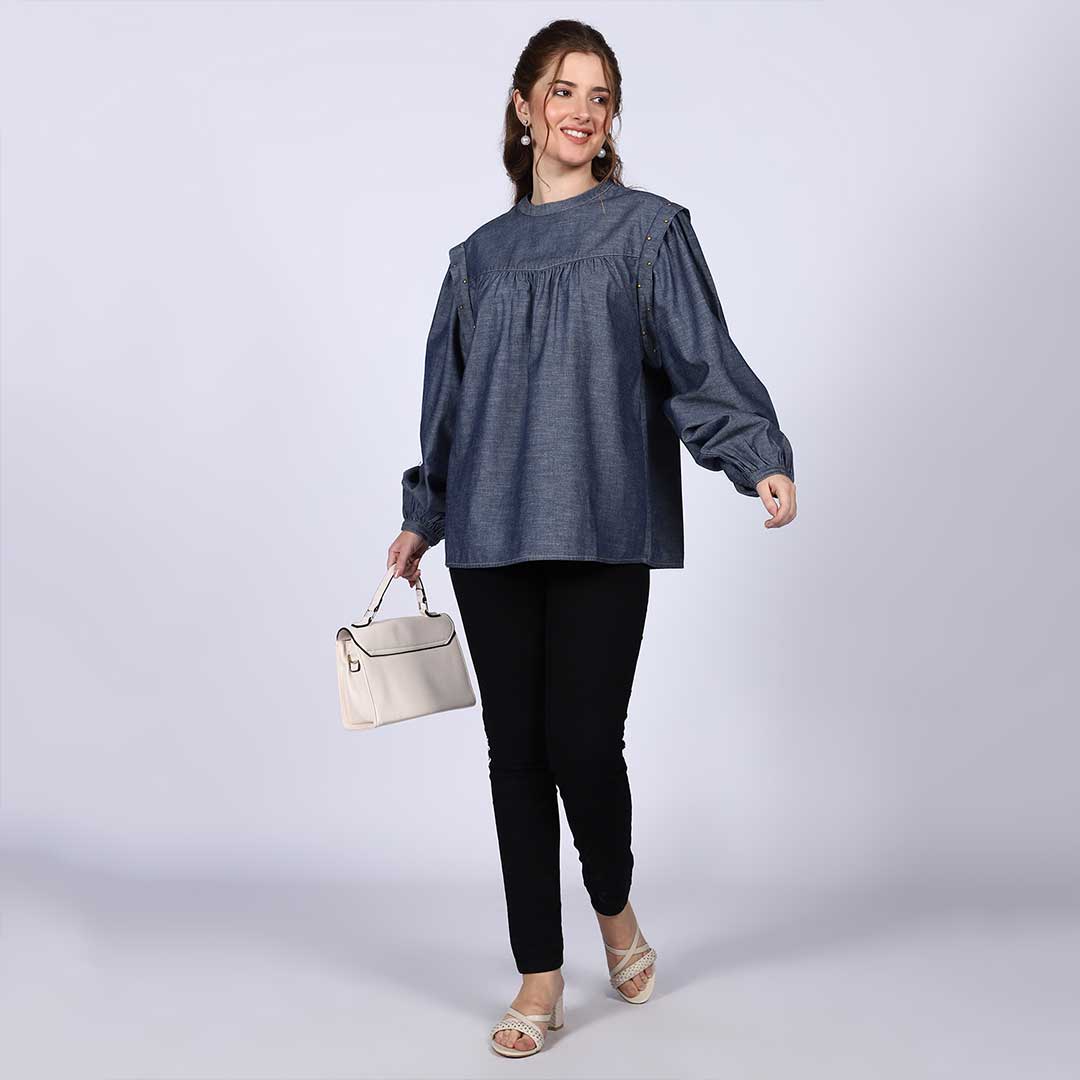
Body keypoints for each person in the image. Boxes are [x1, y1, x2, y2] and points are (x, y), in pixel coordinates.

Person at [387, 19, 797, 1059]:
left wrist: (755, 455)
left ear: (612, 118)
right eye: (563, 90)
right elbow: (449, 405)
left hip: (603, 522)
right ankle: (540, 976)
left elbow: (701, 362)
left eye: (600, 95)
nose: (582, 110)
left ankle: (614, 908)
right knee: (515, 756)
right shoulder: (476, 261)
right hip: (490, 531)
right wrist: (424, 514)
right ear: (523, 107)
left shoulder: (649, 233)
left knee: (582, 743)